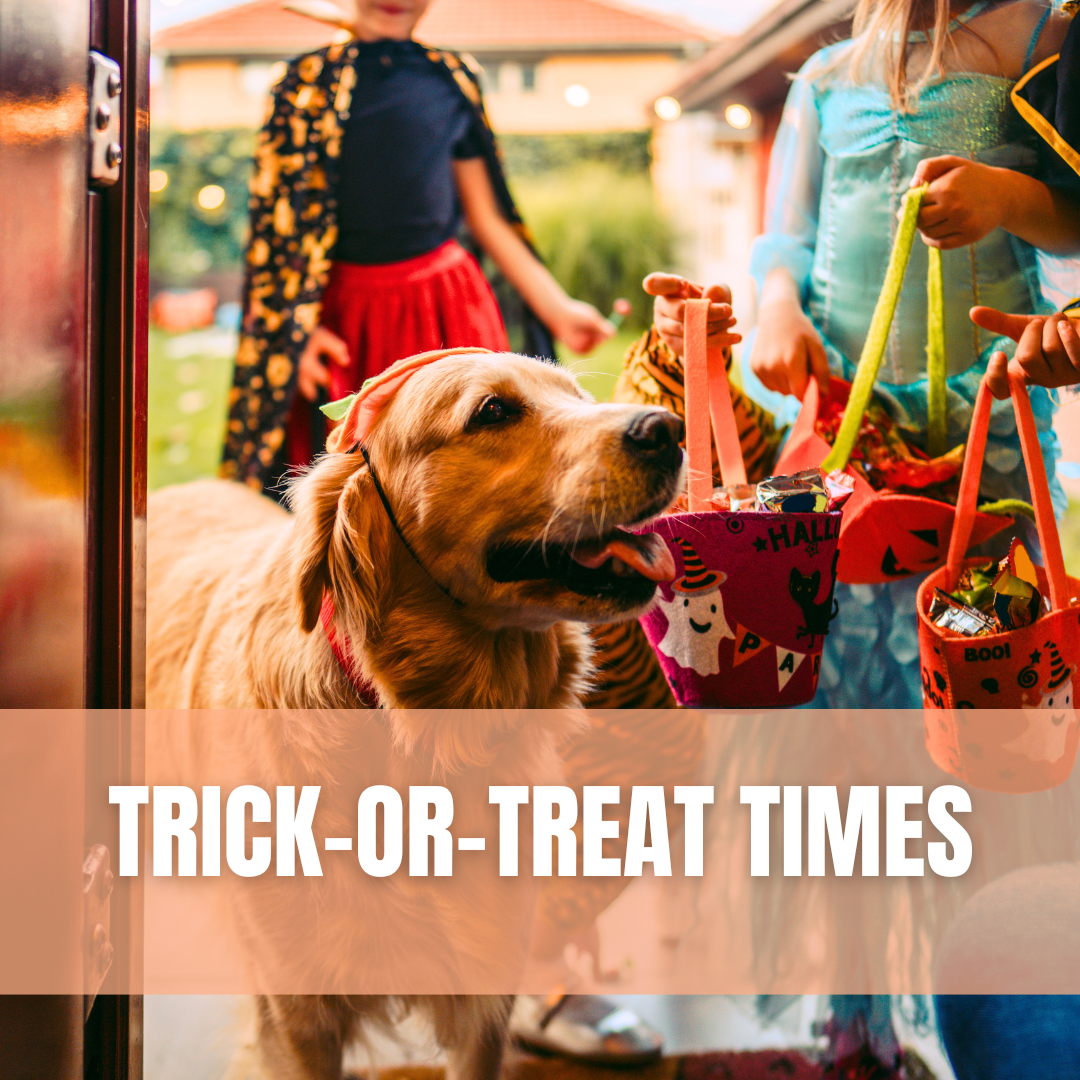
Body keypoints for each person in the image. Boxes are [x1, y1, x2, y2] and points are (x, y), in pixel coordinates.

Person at [220, 0, 612, 493]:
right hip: (350, 318)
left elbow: (486, 217)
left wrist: (558, 309)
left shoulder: (451, 77)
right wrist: (298, 332)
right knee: (363, 481)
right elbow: (278, 228)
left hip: (446, 306)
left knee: (476, 466)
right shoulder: (301, 84)